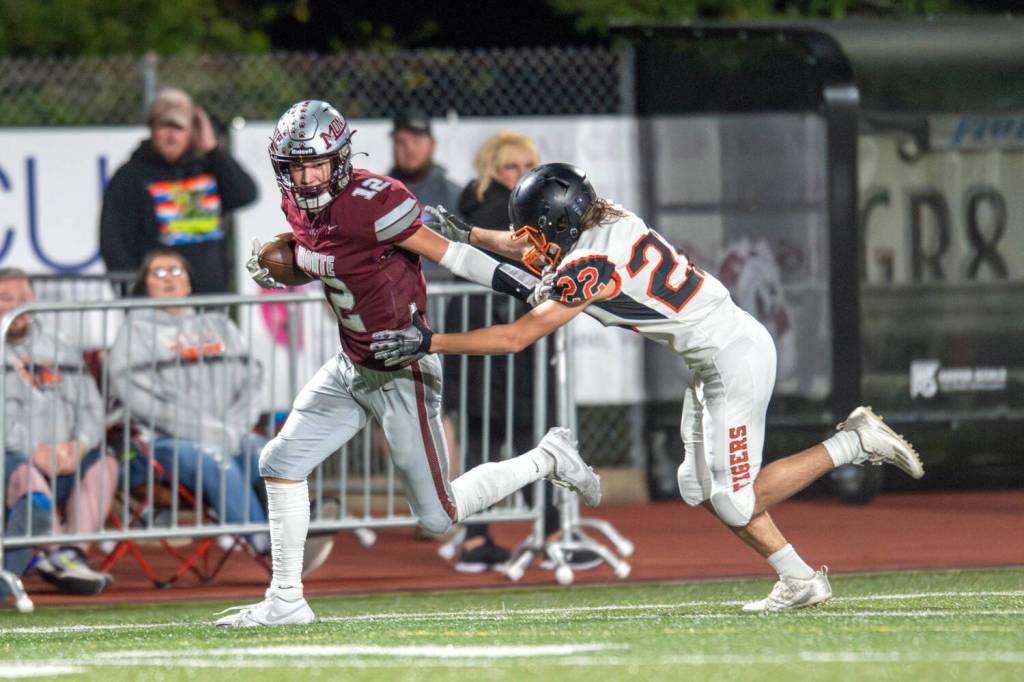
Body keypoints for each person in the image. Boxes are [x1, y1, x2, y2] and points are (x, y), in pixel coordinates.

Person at [371, 162, 926, 613]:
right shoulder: (606, 220)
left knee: (734, 501)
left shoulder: (591, 263)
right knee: (694, 487)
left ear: (561, 224)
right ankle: (799, 578)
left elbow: (518, 337)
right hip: (714, 356)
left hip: (733, 359)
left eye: (536, 229)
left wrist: (431, 342)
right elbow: (531, 248)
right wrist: (468, 234)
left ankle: (854, 442)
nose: (527, 239)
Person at [214, 100, 599, 627]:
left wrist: (526, 287)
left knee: (438, 518)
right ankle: (285, 600)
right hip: (352, 365)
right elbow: (335, 260)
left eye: (316, 163)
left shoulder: (374, 201)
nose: (305, 176)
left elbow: (453, 255)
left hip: (402, 367)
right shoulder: (298, 206)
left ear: (341, 158)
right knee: (279, 463)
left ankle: (548, 458)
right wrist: (288, 266)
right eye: (295, 165)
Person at [107, 250, 334, 576]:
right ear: (146, 286)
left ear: (189, 282)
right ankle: (270, 547)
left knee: (267, 453)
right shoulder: (135, 332)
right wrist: (210, 431)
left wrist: (235, 425)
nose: (169, 278)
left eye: (175, 271)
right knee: (213, 458)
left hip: (231, 432)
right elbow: (142, 400)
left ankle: (302, 522)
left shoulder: (219, 325)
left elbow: (252, 381)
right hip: (163, 444)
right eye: (158, 274)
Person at [442, 132, 597, 573]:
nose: (520, 175)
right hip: (494, 338)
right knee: (505, 437)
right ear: (491, 169)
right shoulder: (499, 212)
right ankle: (526, 535)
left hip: (501, 338)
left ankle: (496, 537)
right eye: (511, 166)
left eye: (528, 165)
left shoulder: (486, 211)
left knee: (499, 438)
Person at [0, 268, 116, 595]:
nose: (17, 306)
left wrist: (78, 446)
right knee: (24, 470)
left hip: (67, 455)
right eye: (7, 298)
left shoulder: (59, 347)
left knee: (104, 463)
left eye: (23, 298)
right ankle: (53, 553)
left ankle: (70, 553)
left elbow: (91, 408)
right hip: (13, 459)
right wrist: (33, 449)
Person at [99, 88, 258, 293]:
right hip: (155, 305)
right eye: (164, 127)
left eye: (179, 128)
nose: (171, 136)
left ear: (192, 131)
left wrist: (212, 149)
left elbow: (245, 194)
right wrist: (132, 293)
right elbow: (114, 242)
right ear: (151, 129)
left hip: (210, 300)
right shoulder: (130, 176)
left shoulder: (208, 168)